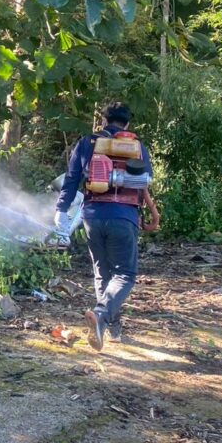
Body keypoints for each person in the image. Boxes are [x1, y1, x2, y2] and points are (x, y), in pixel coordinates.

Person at [53, 102, 158, 351]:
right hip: (124, 216)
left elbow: (71, 179)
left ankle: (111, 327)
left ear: (103, 121)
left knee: (102, 272)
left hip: (93, 216)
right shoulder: (136, 146)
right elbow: (146, 181)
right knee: (125, 274)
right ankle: (102, 316)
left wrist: (61, 210)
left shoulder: (87, 143)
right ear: (127, 124)